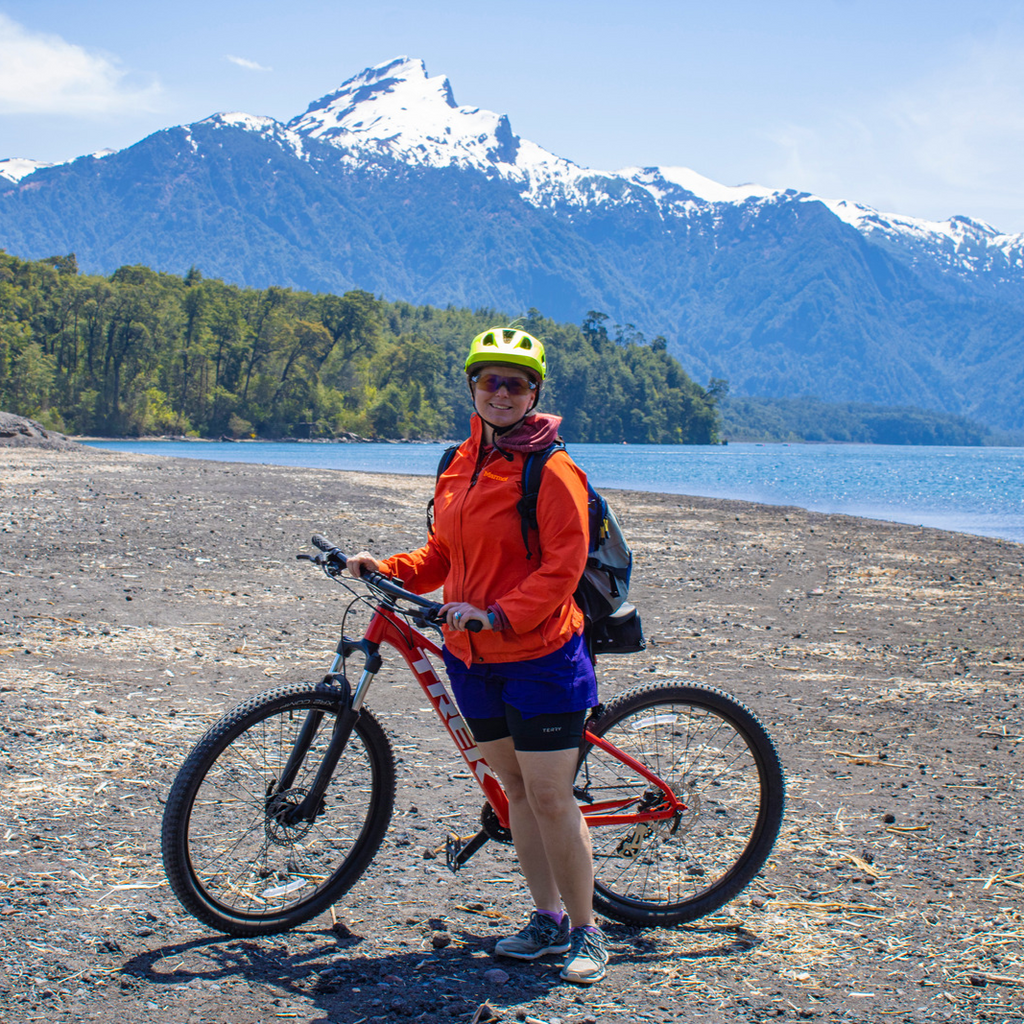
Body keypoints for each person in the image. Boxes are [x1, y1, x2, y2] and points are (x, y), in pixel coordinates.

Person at [347, 327, 608, 985]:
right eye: (490, 380)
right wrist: (389, 568)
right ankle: (546, 920)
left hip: (540, 657)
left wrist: (498, 614)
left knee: (549, 796)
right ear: (472, 386)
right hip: (472, 658)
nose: (501, 393)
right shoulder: (458, 461)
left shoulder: (553, 470)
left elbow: (562, 568)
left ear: (534, 393)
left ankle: (587, 931)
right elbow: (444, 554)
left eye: (515, 383)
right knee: (514, 790)